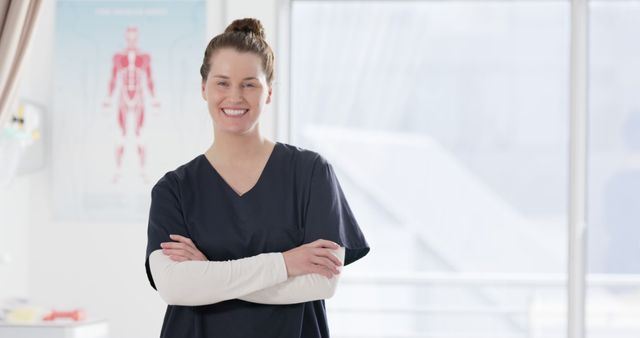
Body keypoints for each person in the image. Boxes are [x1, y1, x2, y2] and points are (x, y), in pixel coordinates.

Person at [144, 18, 370, 338]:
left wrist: (209, 273)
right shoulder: (175, 189)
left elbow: (323, 281)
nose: (235, 96)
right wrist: (285, 264)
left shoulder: (311, 173)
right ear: (203, 89)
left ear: (268, 93)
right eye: (222, 82)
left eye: (249, 83)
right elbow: (174, 286)